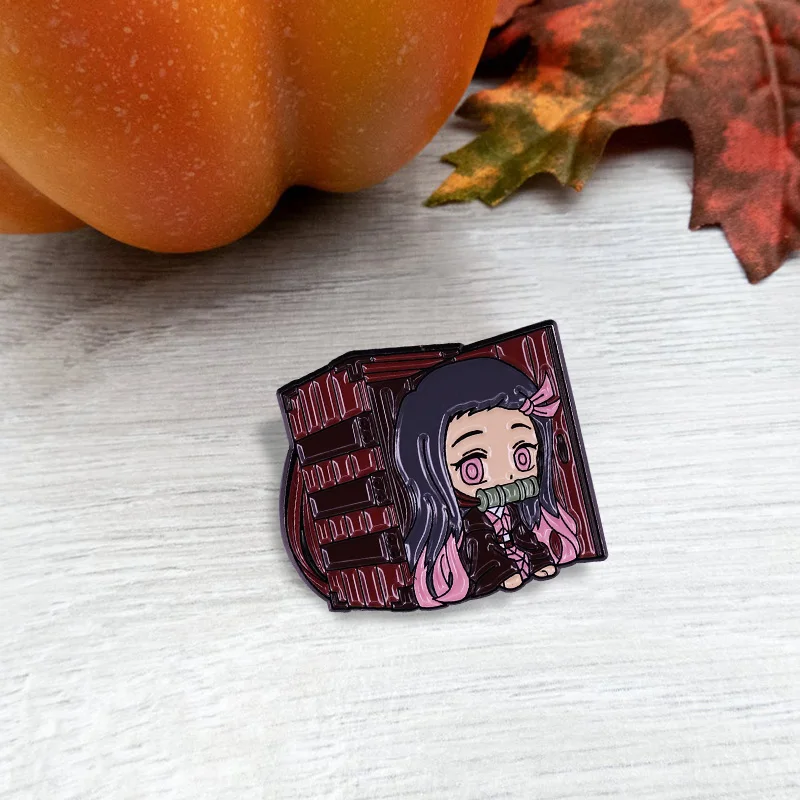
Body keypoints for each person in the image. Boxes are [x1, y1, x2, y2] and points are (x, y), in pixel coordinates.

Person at [394, 357, 580, 608]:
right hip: (496, 575)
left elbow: (524, 535)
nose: (506, 476)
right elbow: (482, 551)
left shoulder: (514, 510)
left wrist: (539, 560)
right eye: (473, 466)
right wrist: (502, 575)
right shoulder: (472, 521)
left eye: (522, 456)